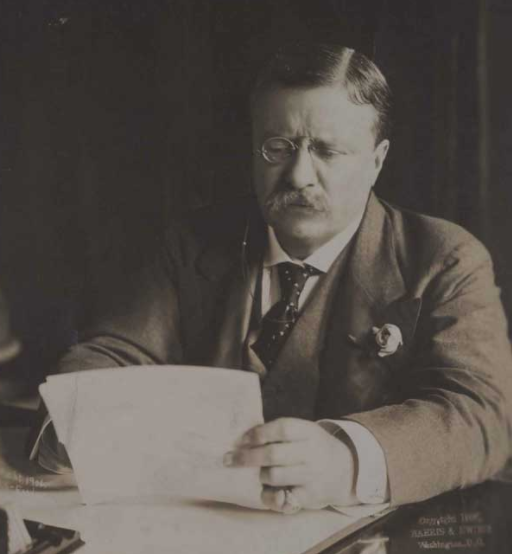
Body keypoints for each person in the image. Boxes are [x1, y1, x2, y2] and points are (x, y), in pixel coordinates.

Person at [29, 42, 512, 514]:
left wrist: (346, 460)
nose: (299, 174)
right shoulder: (193, 243)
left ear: (377, 160)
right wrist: (72, 423)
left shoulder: (444, 258)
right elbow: (111, 351)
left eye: (328, 151)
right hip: (194, 531)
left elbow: (481, 414)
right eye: (277, 147)